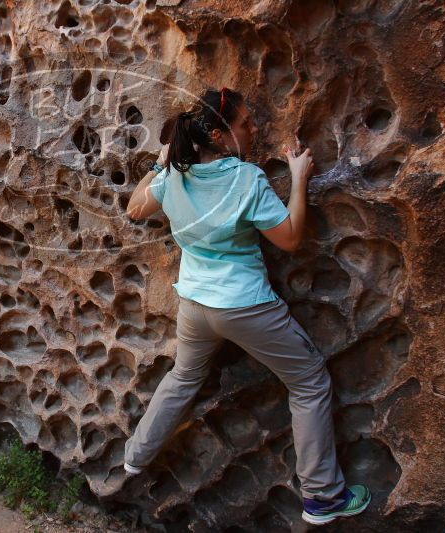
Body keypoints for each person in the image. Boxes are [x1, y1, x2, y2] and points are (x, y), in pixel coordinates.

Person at [124, 88, 370, 525]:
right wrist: (299, 178)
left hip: (195, 305)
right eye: (244, 124)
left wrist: (159, 162)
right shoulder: (245, 178)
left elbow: (134, 209)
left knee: (184, 376)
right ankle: (322, 496)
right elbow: (291, 239)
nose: (252, 129)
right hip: (244, 306)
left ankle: (133, 458)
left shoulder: (174, 176)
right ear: (220, 135)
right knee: (309, 381)